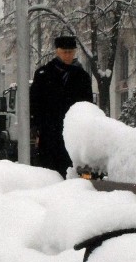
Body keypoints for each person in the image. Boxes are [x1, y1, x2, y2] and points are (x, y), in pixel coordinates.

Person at [30, 35, 94, 178]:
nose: (68, 55)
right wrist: (36, 126)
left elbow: (87, 105)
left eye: (71, 52)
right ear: (57, 52)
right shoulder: (43, 74)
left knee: (75, 171)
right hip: (49, 133)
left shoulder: (82, 77)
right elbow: (35, 102)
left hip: (73, 133)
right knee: (50, 172)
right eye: (64, 52)